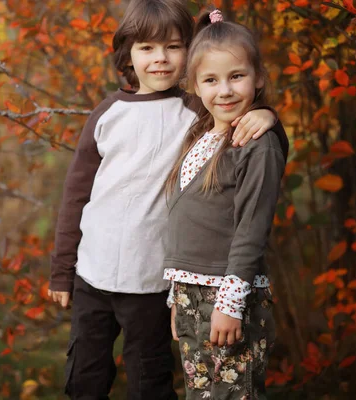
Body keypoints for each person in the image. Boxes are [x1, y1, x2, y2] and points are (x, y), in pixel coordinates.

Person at [48, 1, 286, 399]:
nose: (160, 59)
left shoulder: (197, 110)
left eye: (173, 47)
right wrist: (62, 268)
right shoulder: (108, 113)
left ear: (190, 56)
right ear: (128, 54)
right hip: (94, 271)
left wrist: (269, 117)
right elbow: (76, 195)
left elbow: (247, 134)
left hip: (152, 281)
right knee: (84, 376)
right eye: (146, 48)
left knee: (150, 378)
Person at [163, 9, 287, 400]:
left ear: (259, 78)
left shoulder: (256, 142)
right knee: (201, 395)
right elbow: (186, 223)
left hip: (231, 295)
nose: (225, 91)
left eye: (237, 76)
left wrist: (231, 303)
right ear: (195, 87)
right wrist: (177, 296)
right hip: (190, 294)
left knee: (235, 395)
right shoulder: (199, 134)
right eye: (211, 80)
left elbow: (252, 226)